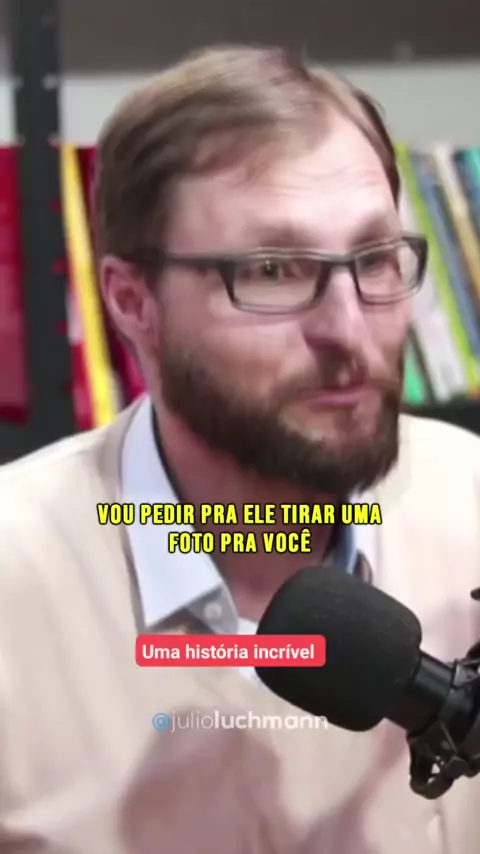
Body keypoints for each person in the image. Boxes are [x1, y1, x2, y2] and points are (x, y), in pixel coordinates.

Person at [0, 43, 479, 854]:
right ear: (132, 301)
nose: (347, 329)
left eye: (374, 259)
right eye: (271, 270)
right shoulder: (16, 577)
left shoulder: (469, 496)